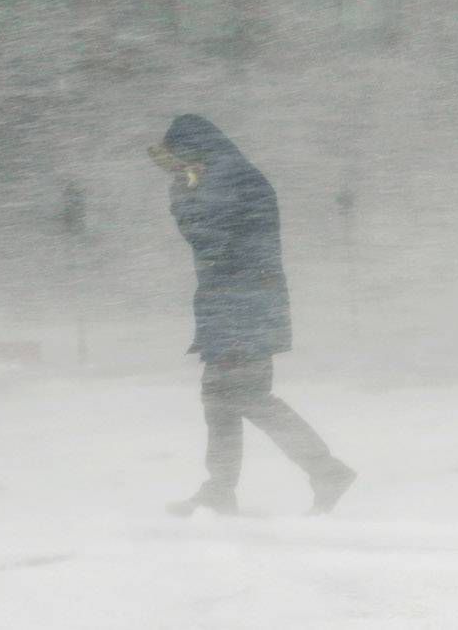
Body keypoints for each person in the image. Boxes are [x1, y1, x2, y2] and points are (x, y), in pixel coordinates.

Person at [152, 115, 355, 516]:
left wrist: (183, 192)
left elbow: (211, 239)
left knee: (246, 396)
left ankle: (325, 470)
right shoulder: (226, 174)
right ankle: (221, 488)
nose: (175, 165)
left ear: (193, 148)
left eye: (178, 156)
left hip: (243, 305)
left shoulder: (227, 178)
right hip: (237, 304)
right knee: (219, 400)